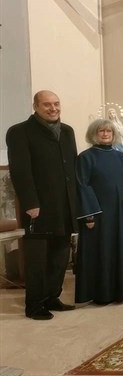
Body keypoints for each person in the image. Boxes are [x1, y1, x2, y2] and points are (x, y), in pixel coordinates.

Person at [6, 90, 78, 320]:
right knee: (37, 258)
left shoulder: (67, 131)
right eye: (47, 104)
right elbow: (20, 171)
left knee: (60, 255)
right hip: (38, 206)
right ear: (35, 106)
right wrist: (30, 203)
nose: (53, 108)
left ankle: (52, 297)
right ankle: (35, 305)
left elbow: (72, 167)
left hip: (65, 204)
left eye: (56, 103)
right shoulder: (19, 132)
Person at [75, 119, 123, 305]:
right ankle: (102, 293)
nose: (105, 134)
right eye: (101, 131)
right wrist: (89, 214)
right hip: (99, 214)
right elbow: (82, 186)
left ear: (114, 135)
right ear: (94, 134)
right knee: (102, 252)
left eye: (109, 131)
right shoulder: (85, 157)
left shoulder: (122, 158)